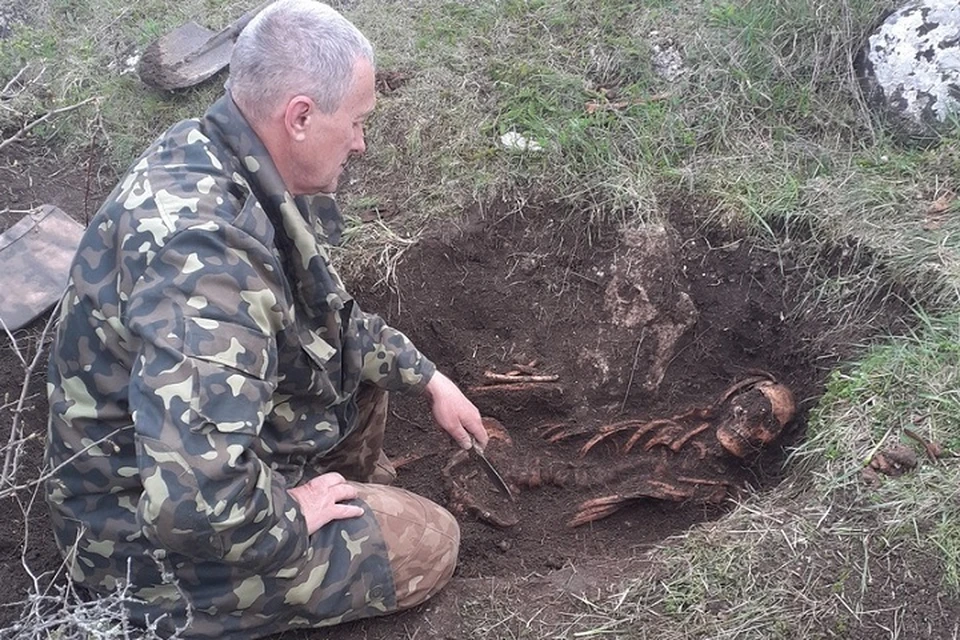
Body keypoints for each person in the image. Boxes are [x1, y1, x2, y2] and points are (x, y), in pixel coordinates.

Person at [43, 1, 488, 637]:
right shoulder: (204, 265)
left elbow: (330, 321)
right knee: (431, 540)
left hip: (180, 462)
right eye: (356, 123)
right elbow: (193, 501)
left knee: (357, 372)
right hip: (144, 545)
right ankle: (216, 585)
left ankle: (320, 494)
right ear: (300, 116)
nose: (361, 142)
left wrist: (430, 379)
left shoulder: (228, 157)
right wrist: (288, 516)